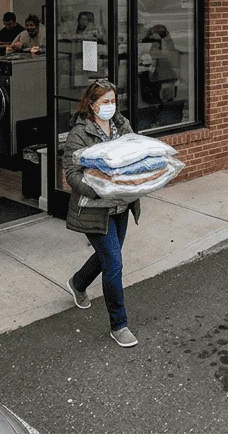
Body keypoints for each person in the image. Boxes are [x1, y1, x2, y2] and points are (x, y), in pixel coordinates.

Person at [64, 79, 141, 348]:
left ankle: (78, 282)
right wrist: (96, 190)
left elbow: (134, 154)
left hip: (121, 205)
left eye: (113, 101)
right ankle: (119, 325)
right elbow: (71, 173)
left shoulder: (122, 126)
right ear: (92, 103)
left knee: (109, 256)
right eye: (105, 101)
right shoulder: (80, 133)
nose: (110, 106)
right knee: (114, 264)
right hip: (95, 208)